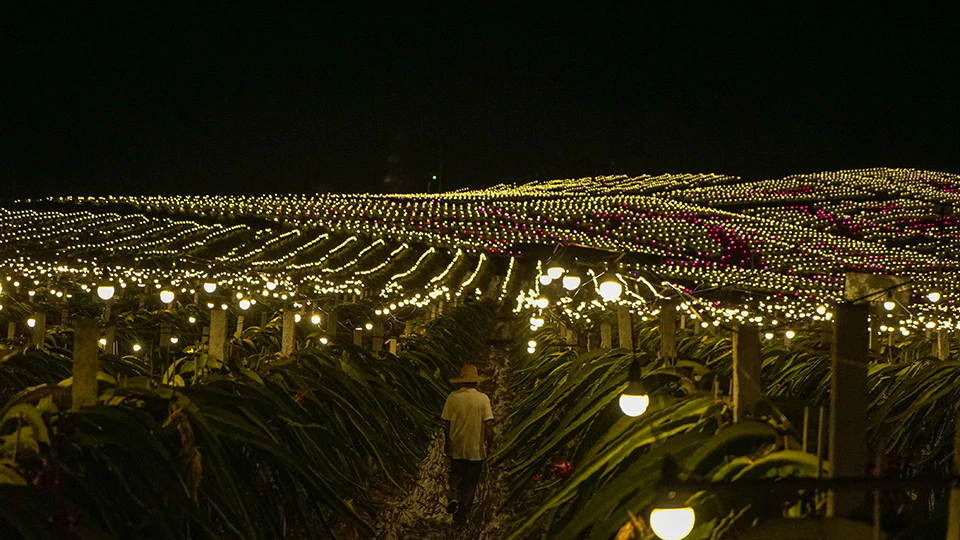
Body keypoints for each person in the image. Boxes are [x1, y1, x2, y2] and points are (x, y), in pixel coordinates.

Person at [442, 364, 495, 526]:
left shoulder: (453, 397)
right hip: (475, 449)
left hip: (457, 446)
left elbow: (446, 423)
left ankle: (454, 496)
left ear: (461, 382)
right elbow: (488, 424)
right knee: (471, 482)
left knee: (456, 475)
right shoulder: (483, 399)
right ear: (476, 382)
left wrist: (447, 442)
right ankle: (461, 515)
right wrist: (490, 443)